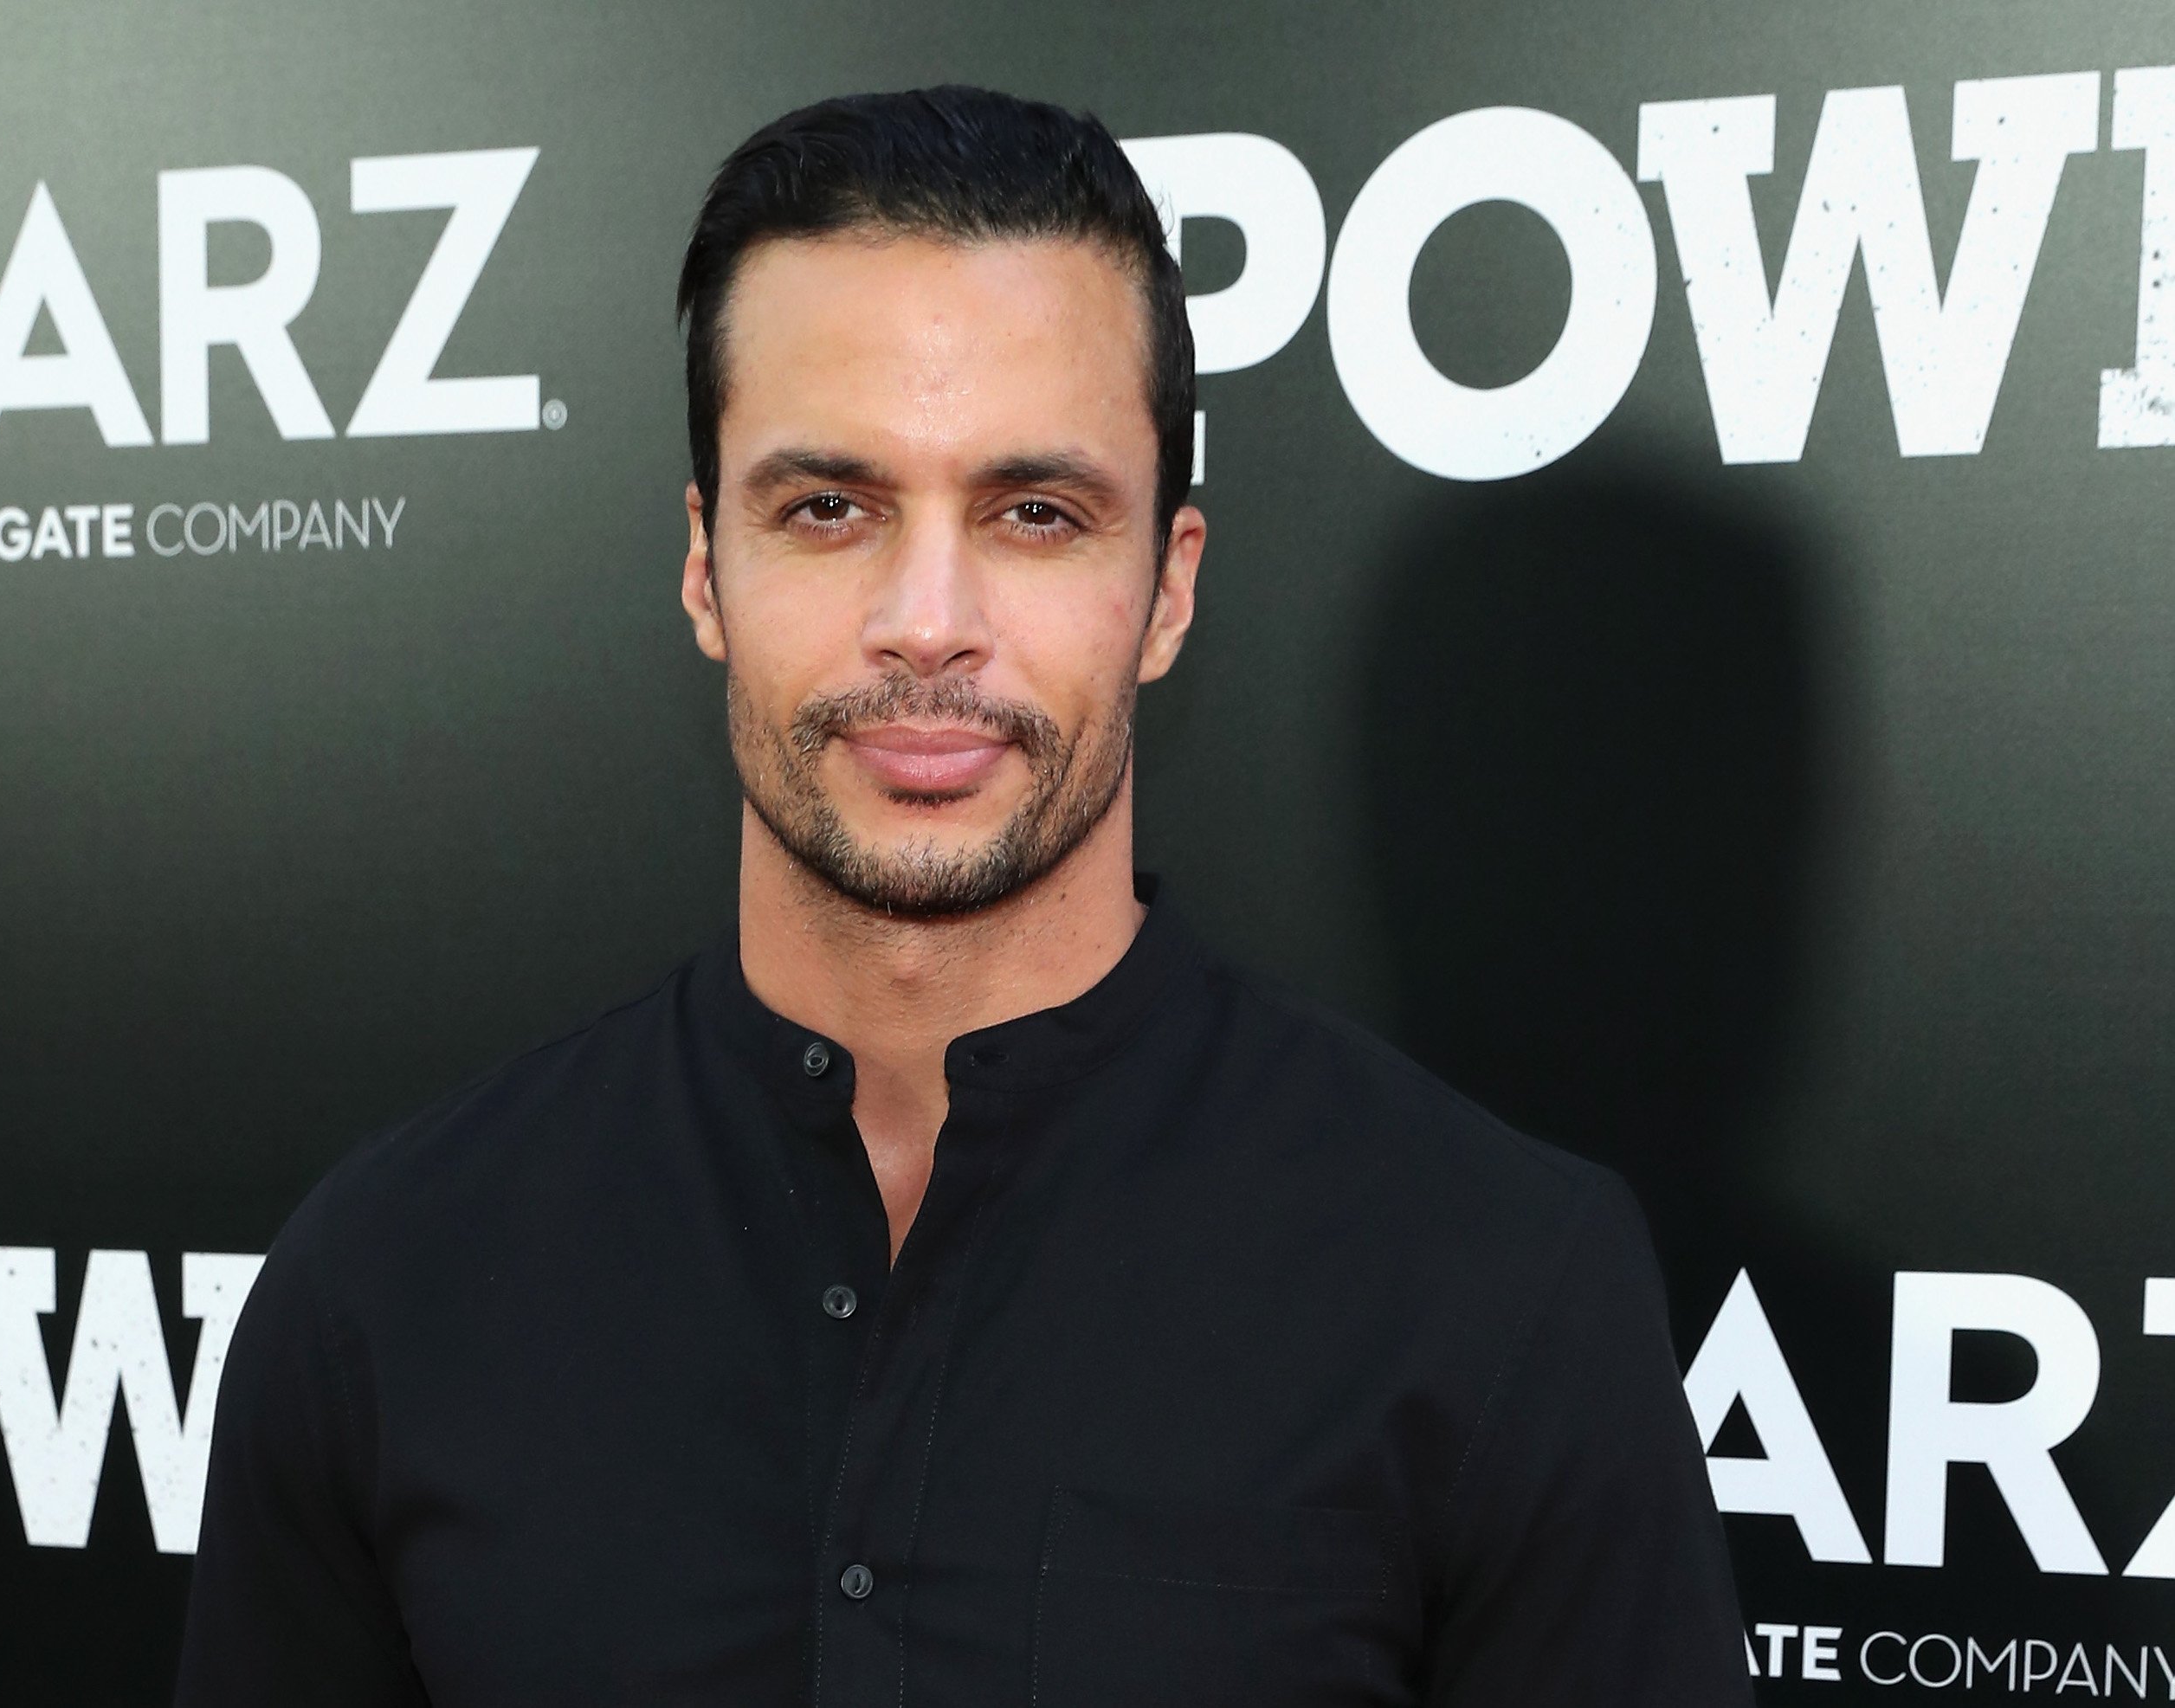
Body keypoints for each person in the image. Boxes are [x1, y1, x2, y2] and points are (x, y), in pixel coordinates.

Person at [175, 86, 1749, 1706]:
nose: (927, 622)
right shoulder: (388, 1276)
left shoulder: (1500, 1286)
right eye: (830, 508)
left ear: (1168, 589)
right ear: (706, 565)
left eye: (1036, 514)